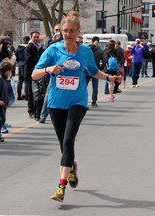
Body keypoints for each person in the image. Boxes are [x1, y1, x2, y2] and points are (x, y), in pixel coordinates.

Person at [32, 10, 117, 202]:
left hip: (77, 101)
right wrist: (48, 69)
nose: (68, 34)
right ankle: (72, 167)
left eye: (71, 31)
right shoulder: (53, 50)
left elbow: (94, 72)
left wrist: (109, 77)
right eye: (65, 31)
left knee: (69, 140)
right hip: (55, 102)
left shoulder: (85, 51)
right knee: (64, 144)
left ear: (78, 32)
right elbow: (33, 74)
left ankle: (60, 187)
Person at [24, 31, 44, 119]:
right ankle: (31, 110)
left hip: (39, 72)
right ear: (31, 37)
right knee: (31, 93)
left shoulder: (39, 47)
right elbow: (28, 60)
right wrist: (39, 58)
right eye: (34, 37)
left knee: (38, 92)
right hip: (30, 73)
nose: (36, 38)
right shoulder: (29, 47)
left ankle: (37, 110)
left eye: (37, 37)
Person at [86, 36, 106, 107]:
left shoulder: (87, 48)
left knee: (84, 86)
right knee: (95, 87)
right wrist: (101, 68)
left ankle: (84, 102)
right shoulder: (100, 51)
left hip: (86, 69)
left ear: (92, 41)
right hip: (95, 70)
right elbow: (104, 61)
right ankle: (94, 102)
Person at [16, 35, 30, 100]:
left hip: (20, 64)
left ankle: (18, 95)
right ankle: (26, 95)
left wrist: (19, 61)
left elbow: (16, 56)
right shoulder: (28, 48)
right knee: (26, 80)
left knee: (20, 81)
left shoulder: (18, 47)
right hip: (26, 65)